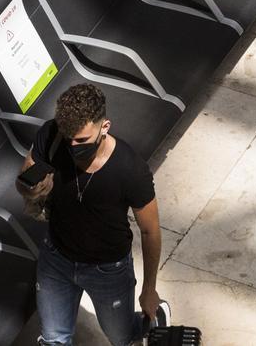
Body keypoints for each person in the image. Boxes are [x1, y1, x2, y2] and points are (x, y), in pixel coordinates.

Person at [17, 83, 168, 345]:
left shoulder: (131, 170)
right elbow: (22, 181)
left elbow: (150, 230)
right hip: (56, 259)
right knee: (54, 339)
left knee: (121, 337)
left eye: (82, 140)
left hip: (107, 268)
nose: (74, 146)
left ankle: (155, 318)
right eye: (69, 139)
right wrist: (30, 190)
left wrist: (149, 289)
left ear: (105, 127)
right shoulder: (51, 136)